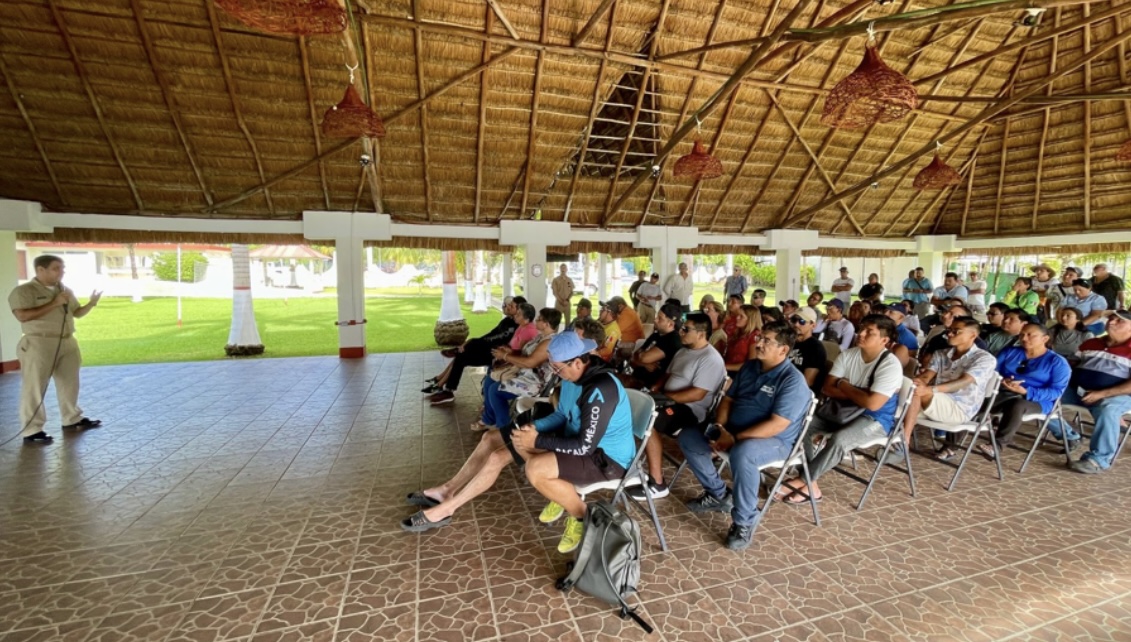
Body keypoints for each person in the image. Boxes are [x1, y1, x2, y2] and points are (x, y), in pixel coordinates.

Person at [678, 322, 812, 550]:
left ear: (783, 349)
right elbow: (728, 399)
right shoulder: (750, 367)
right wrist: (720, 427)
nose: (759, 343)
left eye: (766, 341)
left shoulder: (792, 381)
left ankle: (744, 521)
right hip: (733, 431)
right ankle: (719, 494)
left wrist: (735, 438)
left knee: (744, 453)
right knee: (689, 437)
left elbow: (777, 425)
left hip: (776, 442)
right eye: (760, 338)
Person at [517, 332, 637, 552]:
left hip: (609, 460)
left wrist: (538, 440)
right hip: (584, 447)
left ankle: (581, 516)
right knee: (521, 442)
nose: (555, 373)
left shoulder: (600, 388)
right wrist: (535, 428)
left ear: (578, 362)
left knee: (535, 468)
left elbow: (585, 447)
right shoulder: (573, 378)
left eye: (557, 368)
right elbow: (562, 415)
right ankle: (563, 494)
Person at [776, 315, 903, 503]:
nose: (861, 334)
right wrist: (859, 392)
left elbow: (873, 404)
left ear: (884, 340)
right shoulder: (848, 355)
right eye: (862, 329)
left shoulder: (890, 365)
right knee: (800, 426)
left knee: (840, 439)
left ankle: (802, 480)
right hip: (842, 411)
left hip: (876, 419)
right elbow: (827, 388)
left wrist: (842, 384)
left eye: (869, 332)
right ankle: (812, 485)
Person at [628, 313, 728, 501]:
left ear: (701, 334)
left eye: (686, 329)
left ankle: (658, 483)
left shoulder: (710, 358)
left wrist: (666, 398)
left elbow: (697, 394)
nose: (680, 332)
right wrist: (654, 390)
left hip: (690, 410)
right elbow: (667, 376)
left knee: (649, 420)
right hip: (669, 401)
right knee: (632, 408)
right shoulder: (683, 351)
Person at [9, 254, 102, 444]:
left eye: (62, 268)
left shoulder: (64, 290)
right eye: (56, 268)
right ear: (40, 270)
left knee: (70, 383)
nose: (61, 272)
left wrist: (91, 303)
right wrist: (54, 303)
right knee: (35, 387)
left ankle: (72, 418)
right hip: (39, 343)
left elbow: (76, 313)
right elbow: (22, 316)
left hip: (67, 342)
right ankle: (32, 430)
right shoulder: (24, 291)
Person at [1045, 311, 1131, 474]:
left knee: (1108, 409)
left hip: (1118, 395)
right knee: (1042, 396)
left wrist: (1102, 393)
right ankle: (1069, 436)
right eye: (1111, 319)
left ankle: (1098, 460)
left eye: (1119, 321)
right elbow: (1071, 364)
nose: (1111, 322)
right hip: (1078, 390)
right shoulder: (1092, 342)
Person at [901, 316, 997, 461]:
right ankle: (896, 439)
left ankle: (903, 441)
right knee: (903, 391)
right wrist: (920, 381)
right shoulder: (941, 353)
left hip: (960, 408)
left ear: (972, 335)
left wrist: (930, 390)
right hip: (933, 402)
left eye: (956, 331)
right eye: (949, 330)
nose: (949, 334)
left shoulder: (985, 358)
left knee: (912, 390)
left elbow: (964, 381)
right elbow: (926, 376)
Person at [978, 323, 1070, 459]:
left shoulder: (1057, 362)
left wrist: (1027, 391)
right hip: (1004, 393)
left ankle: (997, 446)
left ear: (1045, 339)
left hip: (1039, 400)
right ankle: (950, 445)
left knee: (1017, 404)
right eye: (1022, 335)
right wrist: (1002, 380)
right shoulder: (1010, 352)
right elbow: (992, 371)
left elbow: (1056, 392)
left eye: (1030, 335)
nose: (1024, 338)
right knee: (974, 398)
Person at [476, 307, 561, 431]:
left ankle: (504, 430)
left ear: (546, 324)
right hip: (524, 372)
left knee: (495, 390)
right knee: (490, 380)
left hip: (534, 381)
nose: (536, 320)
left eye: (539, 319)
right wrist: (511, 352)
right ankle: (489, 418)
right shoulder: (541, 337)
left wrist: (505, 356)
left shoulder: (549, 342)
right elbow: (526, 354)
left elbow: (530, 362)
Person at [424, 296, 524, 399]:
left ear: (519, 310)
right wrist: (472, 341)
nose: (507, 307)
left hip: (496, 355)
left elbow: (495, 339)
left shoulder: (514, 326)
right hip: (490, 349)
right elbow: (491, 335)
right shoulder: (508, 321)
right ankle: (441, 384)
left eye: (511, 306)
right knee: (461, 355)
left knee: (461, 355)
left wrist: (472, 342)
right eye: (508, 305)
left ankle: (443, 386)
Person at [623, 303, 683, 388]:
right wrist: (644, 364)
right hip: (635, 377)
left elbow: (643, 358)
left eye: (660, 318)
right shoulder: (656, 334)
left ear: (670, 324)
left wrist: (639, 358)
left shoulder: (673, 339)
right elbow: (633, 358)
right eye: (656, 316)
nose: (655, 320)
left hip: (647, 385)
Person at [787, 307, 827, 392]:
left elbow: (807, 382)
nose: (796, 324)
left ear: (813, 325)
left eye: (802, 321)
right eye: (794, 320)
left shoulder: (815, 348)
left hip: (800, 392)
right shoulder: (789, 342)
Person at [724, 304, 762, 372]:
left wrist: (725, 366)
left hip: (740, 373)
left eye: (741, 316)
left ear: (750, 319)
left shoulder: (755, 336)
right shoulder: (737, 332)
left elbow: (751, 364)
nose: (737, 318)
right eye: (737, 315)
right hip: (728, 369)